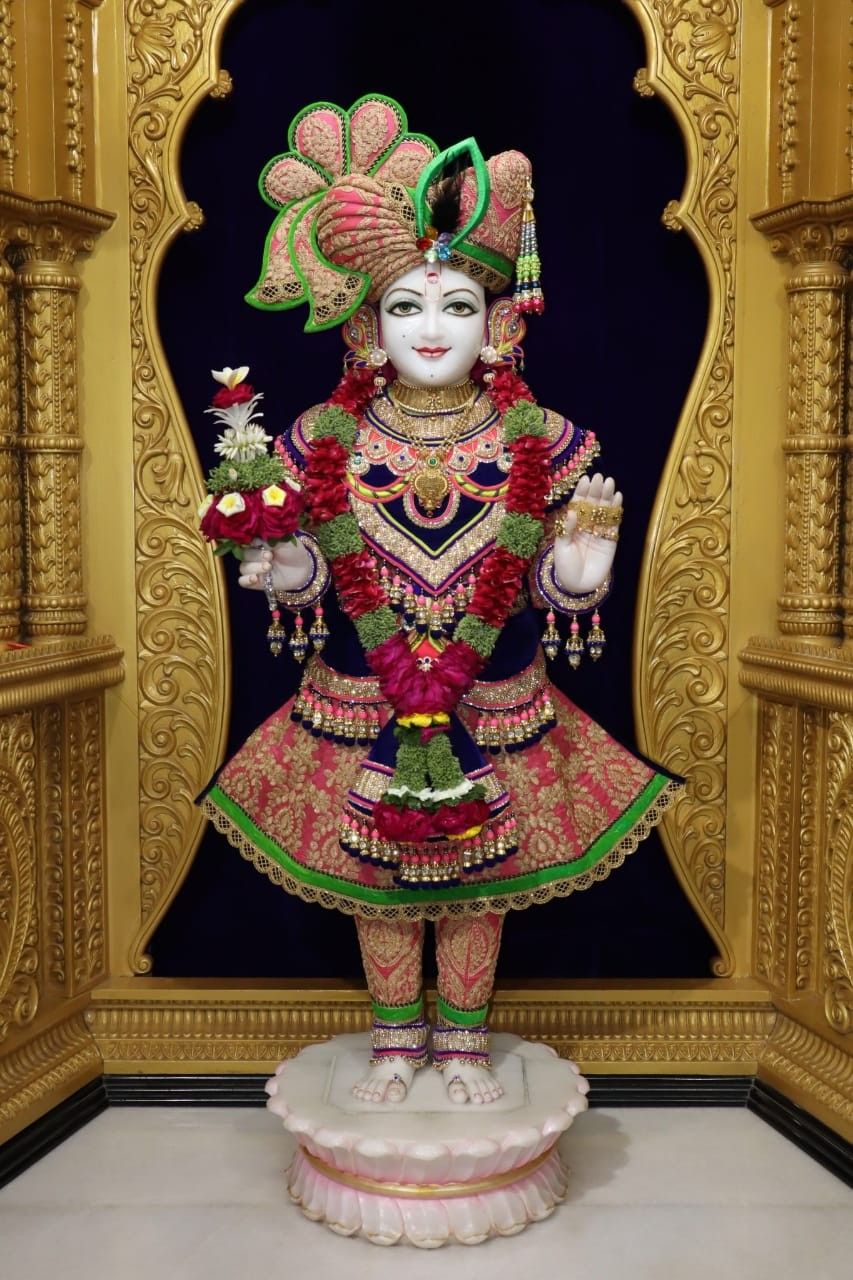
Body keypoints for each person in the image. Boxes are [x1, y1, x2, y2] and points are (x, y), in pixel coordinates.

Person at [202, 95, 679, 1106]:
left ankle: (460, 1041)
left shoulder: (547, 440)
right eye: (406, 307)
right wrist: (284, 573)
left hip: (493, 700)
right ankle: (391, 1036)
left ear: (501, 322)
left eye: (457, 306)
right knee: (377, 872)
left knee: (473, 883)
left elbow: (554, 588)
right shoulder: (316, 437)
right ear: (370, 325)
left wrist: (574, 578)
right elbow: (309, 572)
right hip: (360, 693)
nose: (430, 328)